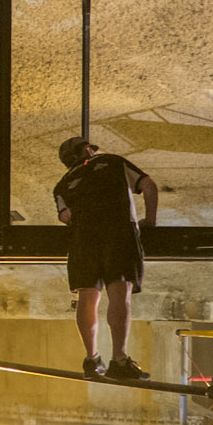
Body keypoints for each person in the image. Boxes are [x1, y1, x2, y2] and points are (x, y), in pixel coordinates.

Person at [53, 136, 157, 380]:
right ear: (88, 149)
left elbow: (65, 217)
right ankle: (119, 361)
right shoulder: (112, 162)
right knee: (119, 292)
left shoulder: (62, 185)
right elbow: (149, 186)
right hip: (118, 232)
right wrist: (151, 221)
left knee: (87, 296)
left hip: (82, 240)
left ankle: (92, 359)